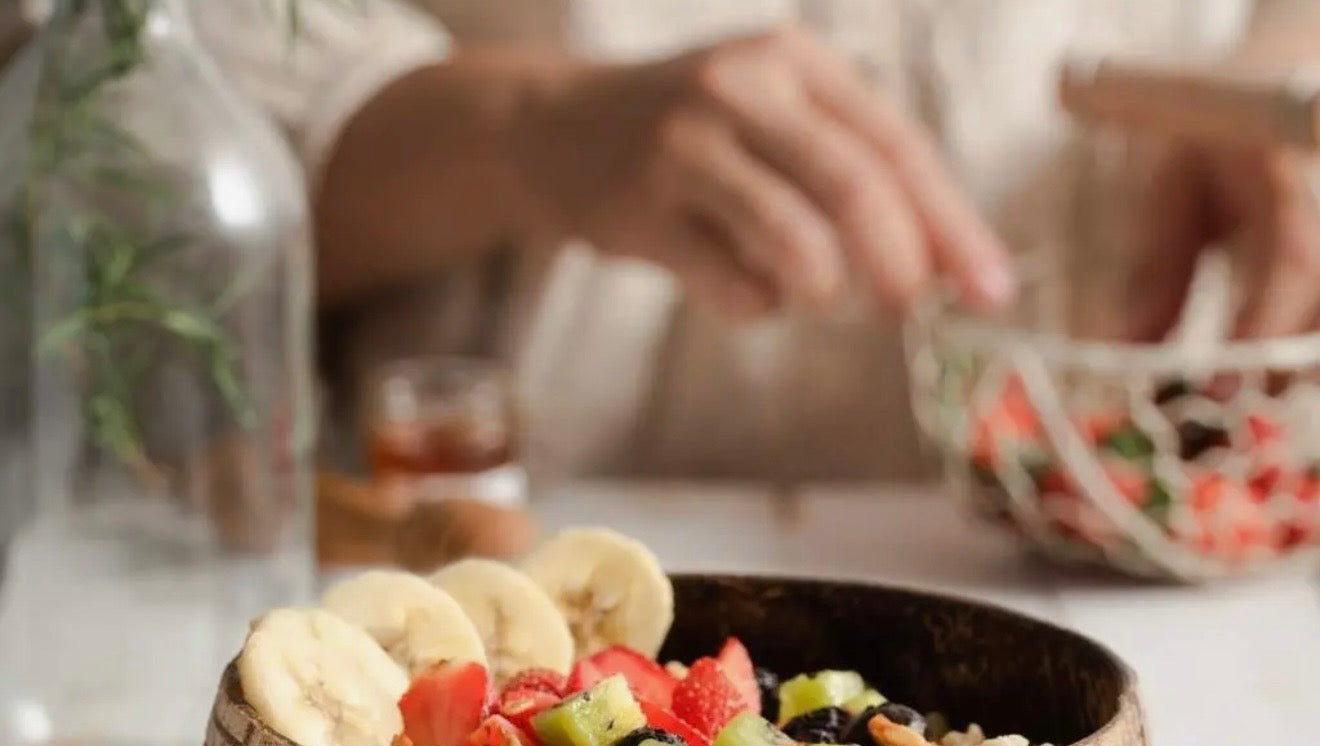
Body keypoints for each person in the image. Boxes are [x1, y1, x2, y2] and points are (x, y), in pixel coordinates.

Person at [191, 1, 1320, 481]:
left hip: (1162, 540)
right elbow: (111, 133)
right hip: (516, 559)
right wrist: (528, 132)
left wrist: (1272, 85)